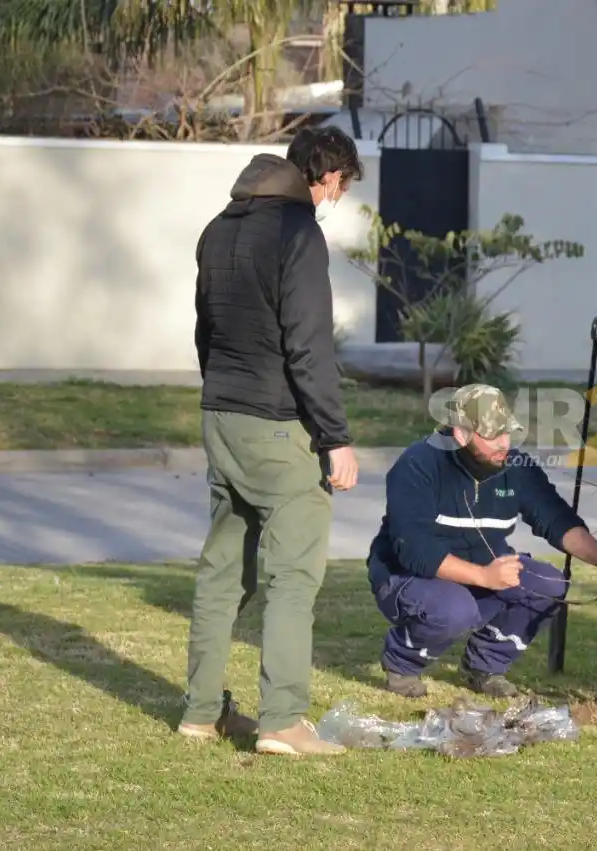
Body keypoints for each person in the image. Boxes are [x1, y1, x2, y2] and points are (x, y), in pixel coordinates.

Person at [178, 125, 364, 757]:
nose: (336, 198)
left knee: (222, 571)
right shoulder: (297, 232)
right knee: (292, 575)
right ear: (328, 175)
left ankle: (201, 714)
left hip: (221, 414)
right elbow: (308, 346)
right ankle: (283, 721)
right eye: (340, 184)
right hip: (278, 427)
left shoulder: (218, 227)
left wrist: (221, 394)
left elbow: (204, 326)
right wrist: (335, 438)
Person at [368, 384, 597, 699]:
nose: (505, 443)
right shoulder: (418, 465)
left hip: (484, 569)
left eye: (508, 432)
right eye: (494, 435)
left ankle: (484, 666)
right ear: (461, 434)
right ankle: (401, 662)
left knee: (549, 584)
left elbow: (557, 521)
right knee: (455, 609)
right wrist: (484, 577)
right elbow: (415, 550)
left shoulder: (515, 468)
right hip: (408, 577)